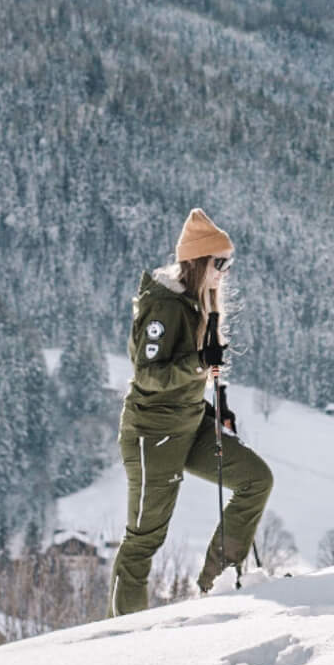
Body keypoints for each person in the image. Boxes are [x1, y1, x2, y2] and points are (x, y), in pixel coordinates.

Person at [110, 208, 271, 616]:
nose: (226, 271)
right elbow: (147, 374)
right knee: (144, 539)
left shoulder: (199, 304)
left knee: (255, 480)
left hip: (191, 424)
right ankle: (117, 634)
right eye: (220, 263)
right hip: (153, 435)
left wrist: (215, 411)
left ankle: (217, 585)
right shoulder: (163, 307)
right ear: (200, 262)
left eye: (228, 263)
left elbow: (194, 371)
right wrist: (199, 362)